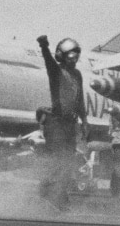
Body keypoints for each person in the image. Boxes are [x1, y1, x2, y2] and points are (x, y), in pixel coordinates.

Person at [37, 35, 88, 210]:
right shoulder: (56, 71)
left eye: (76, 55)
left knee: (67, 162)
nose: (74, 59)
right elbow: (48, 61)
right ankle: (53, 196)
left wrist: (85, 120)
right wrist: (44, 46)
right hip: (55, 123)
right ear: (62, 55)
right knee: (60, 161)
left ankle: (51, 194)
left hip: (69, 124)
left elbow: (79, 99)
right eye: (70, 55)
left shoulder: (77, 74)